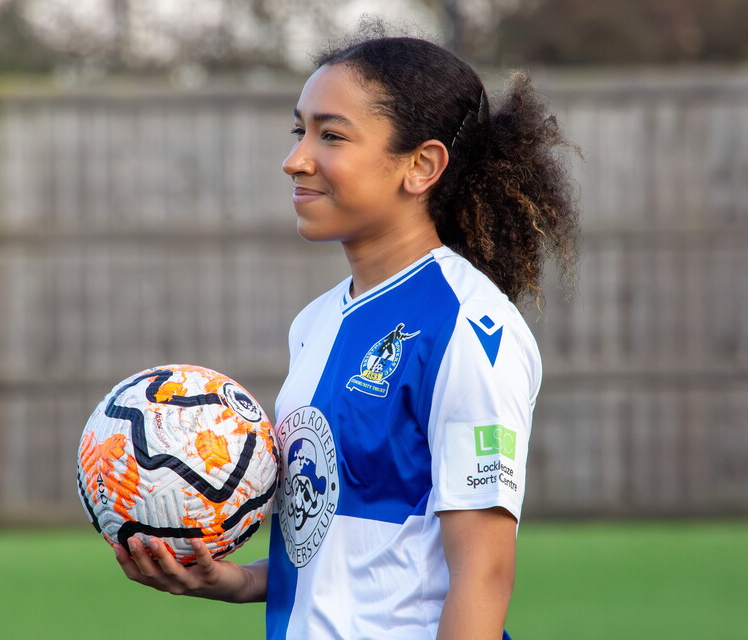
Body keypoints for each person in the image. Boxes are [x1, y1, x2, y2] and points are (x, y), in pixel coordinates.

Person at [113, 27, 578, 640]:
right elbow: (336, 543)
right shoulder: (316, 323)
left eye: (330, 135)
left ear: (421, 166)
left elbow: (483, 577)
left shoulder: (466, 327)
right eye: (299, 130)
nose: (296, 159)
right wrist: (239, 582)